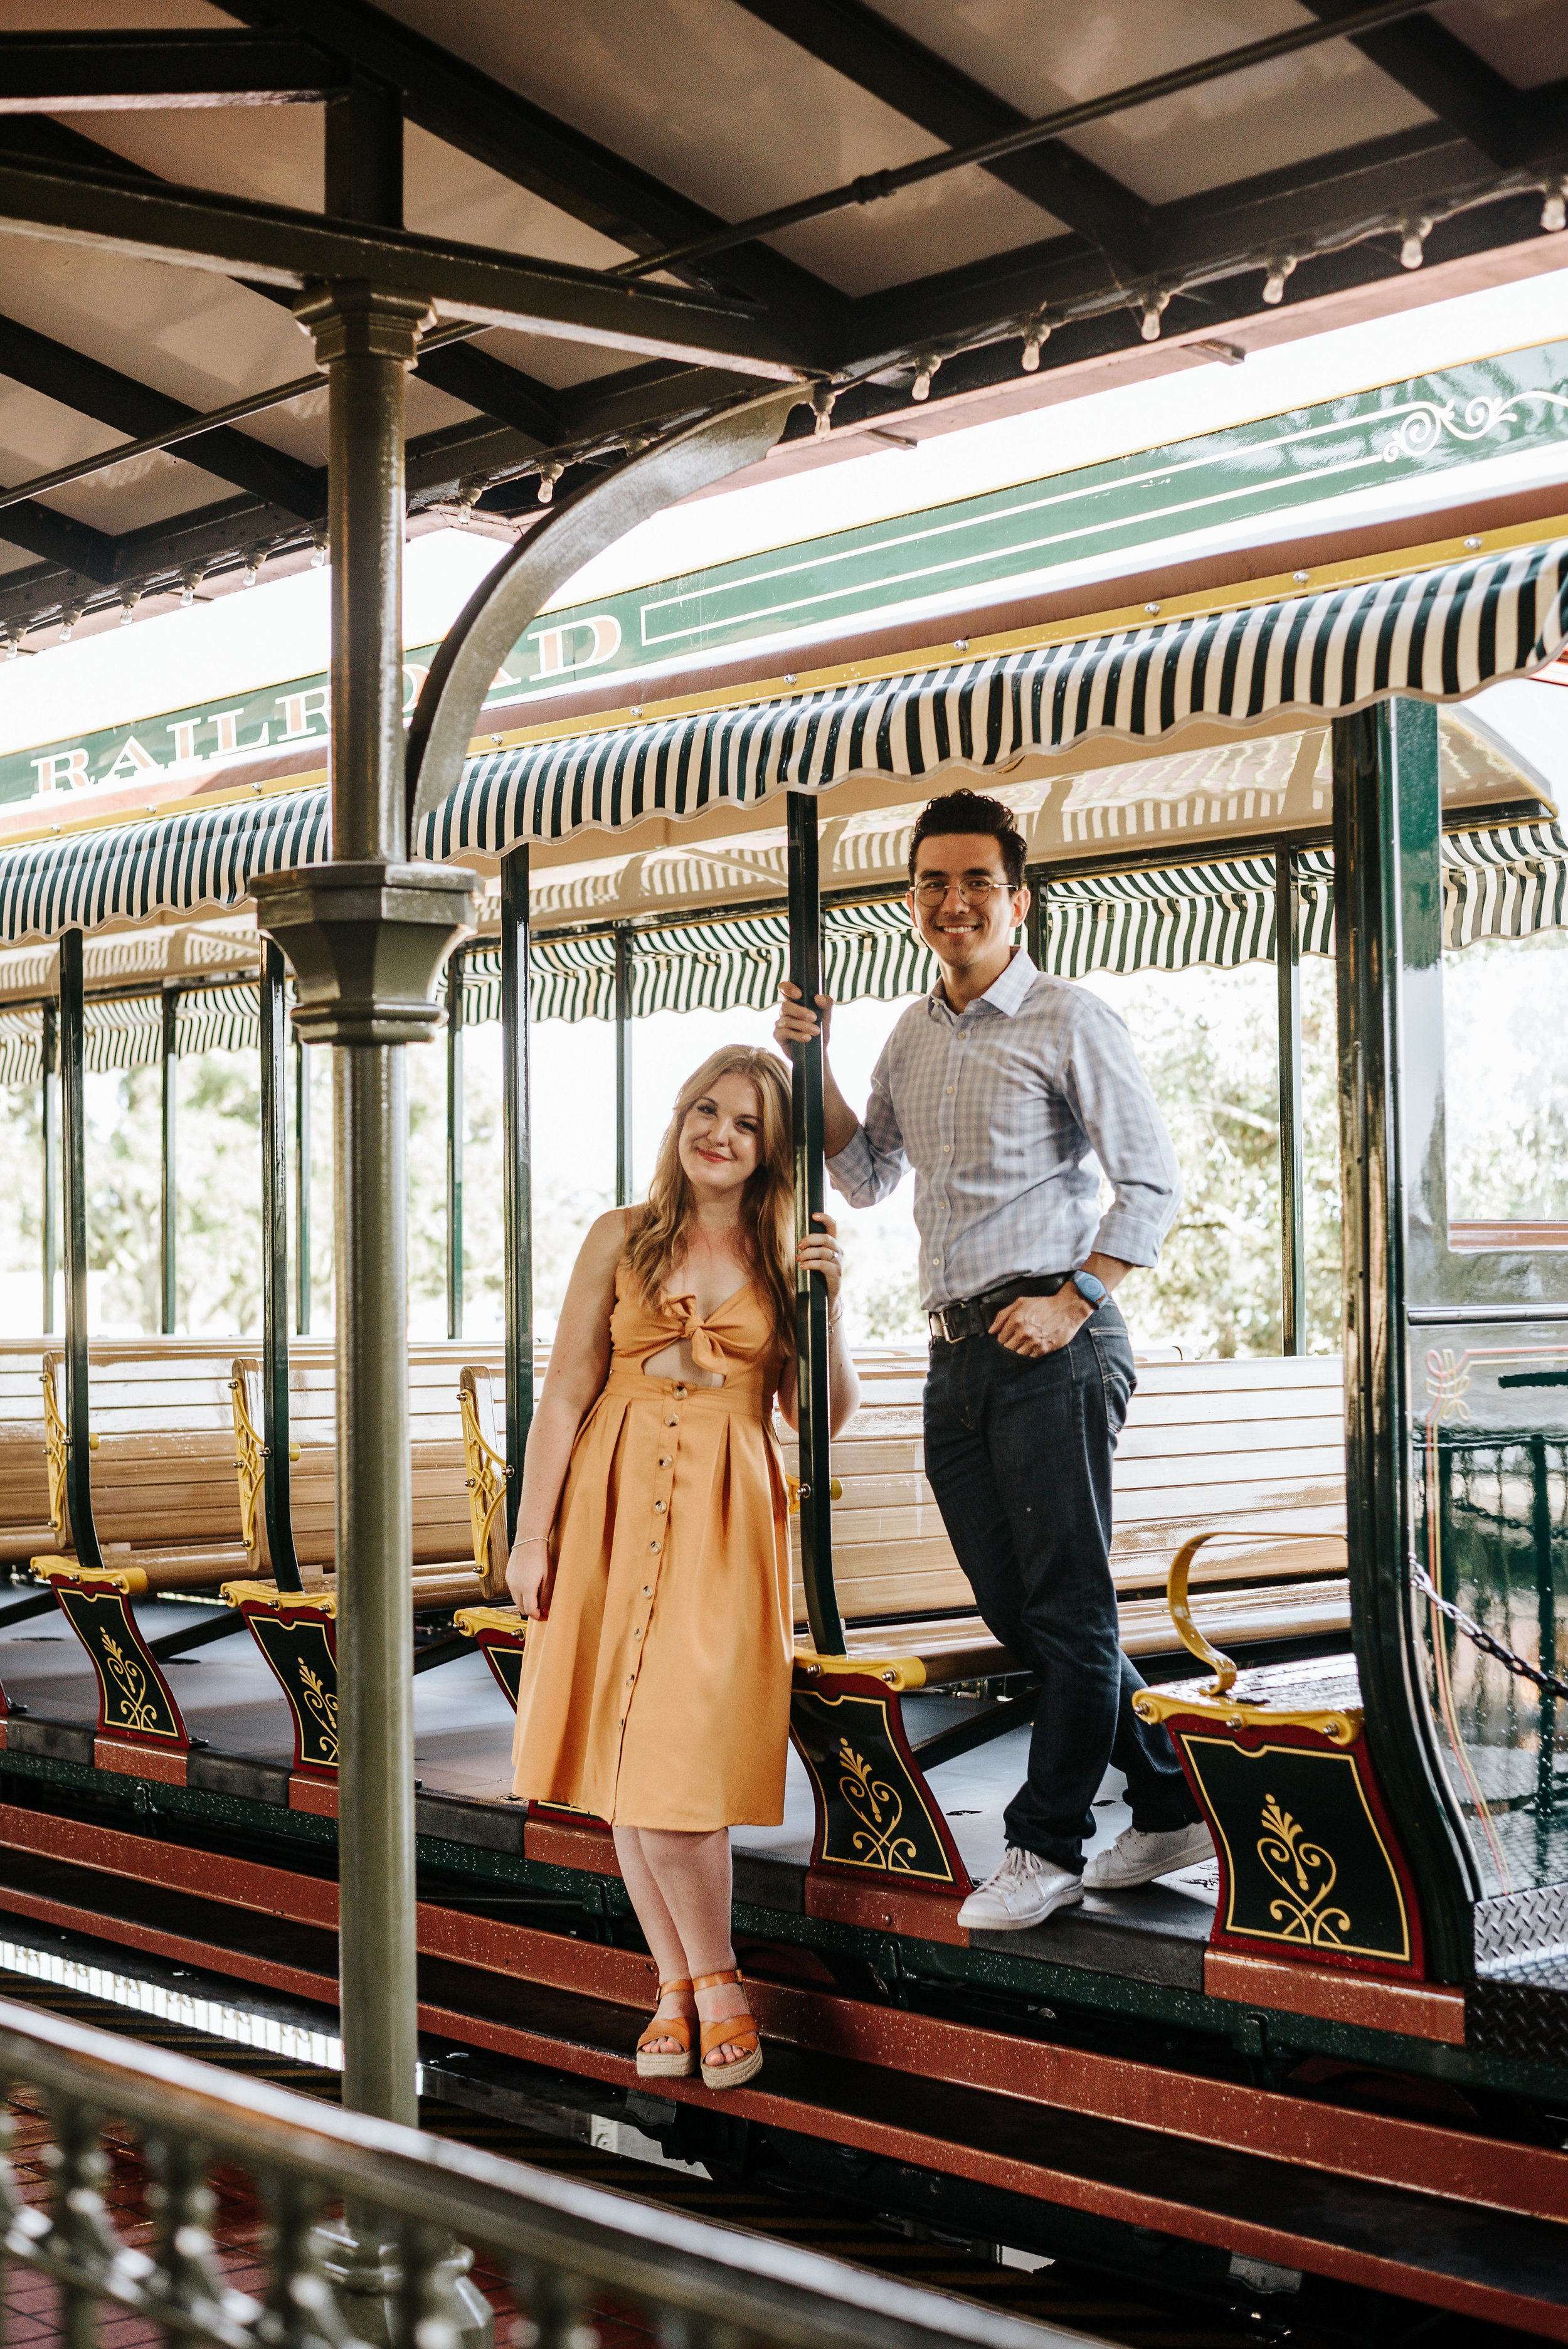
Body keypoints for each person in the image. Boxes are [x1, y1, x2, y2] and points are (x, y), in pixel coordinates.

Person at [775, 787, 1210, 1932]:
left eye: (977, 881)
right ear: (911, 899)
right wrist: (808, 1061)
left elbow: (1153, 1181)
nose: (953, 900)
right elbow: (864, 1174)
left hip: (1051, 1339)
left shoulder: (1070, 1016)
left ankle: (1044, 1843)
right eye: (932, 882)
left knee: (1068, 1608)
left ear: (1018, 899)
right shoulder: (912, 1032)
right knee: (1023, 1611)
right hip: (957, 1353)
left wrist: (1078, 1301)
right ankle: (1166, 1797)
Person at [506, 1045, 859, 2084]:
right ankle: (688, 1980)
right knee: (626, 1755)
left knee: (675, 1756)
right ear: (680, 1118)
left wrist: (830, 1313)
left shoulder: (790, 1246)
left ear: (772, 1148)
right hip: (610, 1502)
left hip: (722, 1512)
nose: (721, 1133)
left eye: (747, 1123)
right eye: (707, 1110)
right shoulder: (621, 1236)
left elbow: (818, 1417)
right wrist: (532, 1537)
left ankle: (708, 1977)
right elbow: (565, 1391)